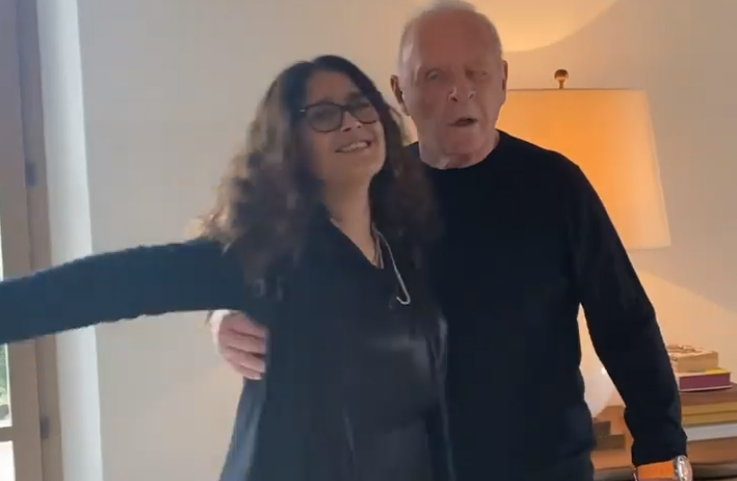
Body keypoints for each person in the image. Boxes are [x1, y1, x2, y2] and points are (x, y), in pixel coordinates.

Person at [208, 2, 690, 481]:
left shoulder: (556, 185)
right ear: (400, 92)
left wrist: (663, 456)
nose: (461, 91)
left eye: (477, 72)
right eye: (434, 76)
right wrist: (222, 318)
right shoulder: (363, 190)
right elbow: (246, 257)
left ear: (502, 81)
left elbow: (626, 325)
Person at [0, 55, 455, 481]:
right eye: (323, 115)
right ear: (290, 144)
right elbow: (114, 283)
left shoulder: (402, 243)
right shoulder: (271, 255)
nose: (352, 122)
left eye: (360, 105)